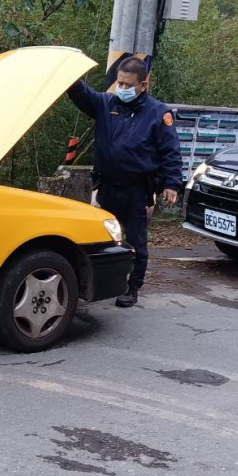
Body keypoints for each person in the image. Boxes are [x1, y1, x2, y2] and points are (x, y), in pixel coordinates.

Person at [67, 57, 183, 307]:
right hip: (107, 185)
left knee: (135, 241)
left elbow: (170, 151)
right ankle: (100, 283)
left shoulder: (157, 113)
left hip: (136, 188)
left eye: (128, 84)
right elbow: (82, 95)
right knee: (101, 236)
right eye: (119, 82)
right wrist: (68, 75)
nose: (122, 88)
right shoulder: (106, 104)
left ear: (143, 85)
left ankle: (132, 287)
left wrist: (171, 184)